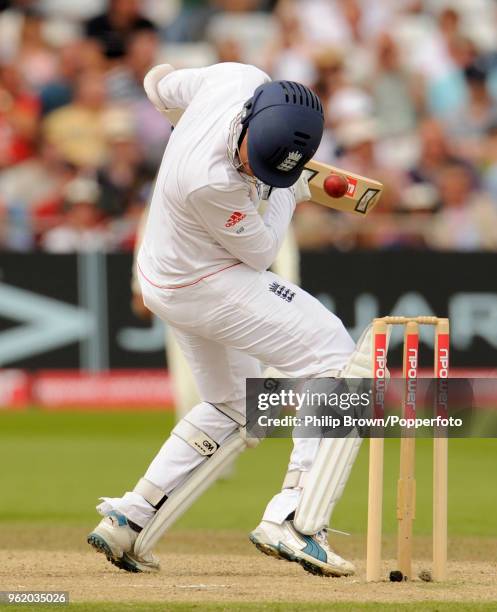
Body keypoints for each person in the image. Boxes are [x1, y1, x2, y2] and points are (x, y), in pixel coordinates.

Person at [88, 62, 359, 578]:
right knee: (335, 355)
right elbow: (261, 253)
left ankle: (131, 516)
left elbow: (158, 83)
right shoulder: (210, 179)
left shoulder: (232, 77)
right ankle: (299, 519)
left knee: (235, 404)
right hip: (202, 280)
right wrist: (289, 191)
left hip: (167, 271)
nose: (254, 171)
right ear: (249, 120)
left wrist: (181, 115)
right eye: (255, 160)